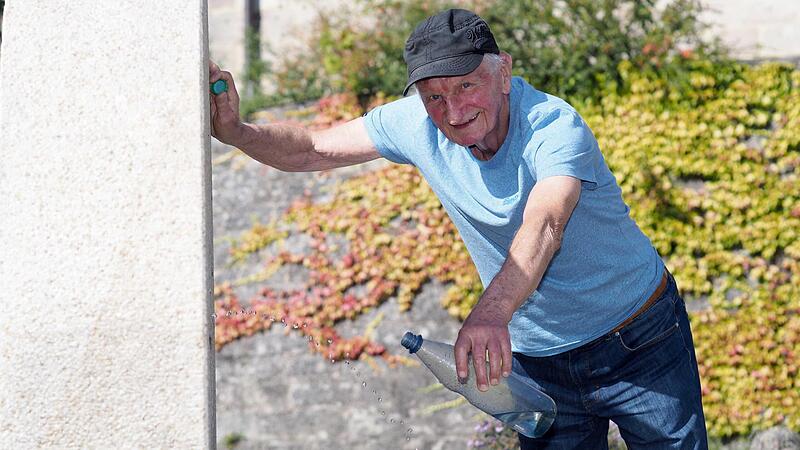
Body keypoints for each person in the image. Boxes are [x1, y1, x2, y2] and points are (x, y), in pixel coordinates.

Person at [210, 8, 708, 449]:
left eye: (467, 85)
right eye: (434, 97)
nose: (453, 111)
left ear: (504, 71)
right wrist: (237, 132)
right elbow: (310, 149)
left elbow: (547, 222)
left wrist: (490, 315)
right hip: (538, 362)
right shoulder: (415, 124)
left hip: (636, 337)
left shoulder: (554, 125)